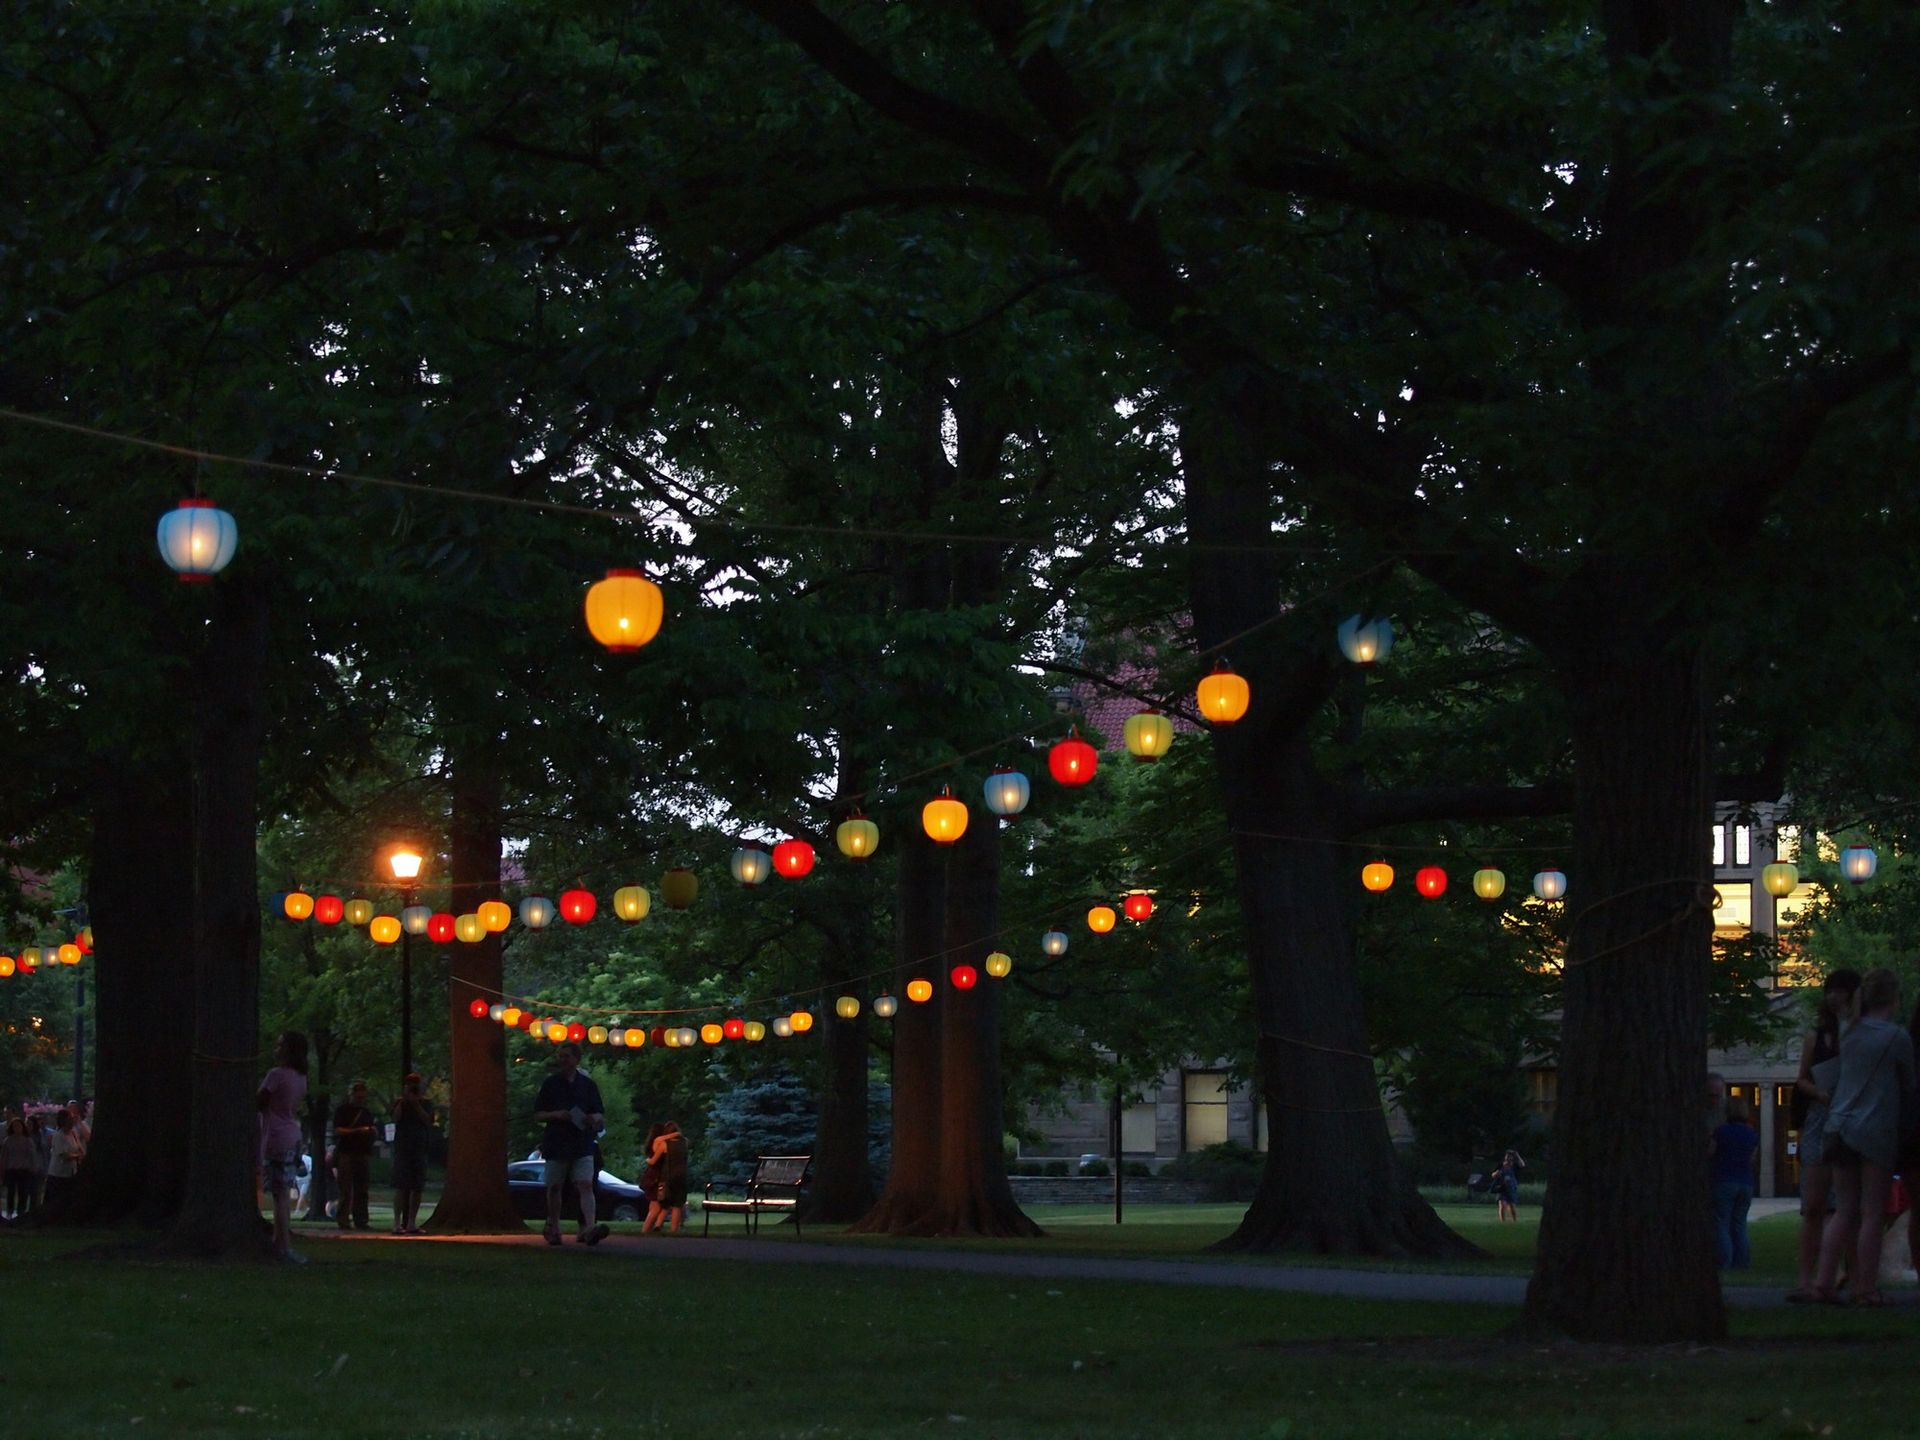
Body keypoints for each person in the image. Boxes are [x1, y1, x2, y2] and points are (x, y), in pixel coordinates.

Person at [1811, 969, 1916, 1307]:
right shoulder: (1896, 1037)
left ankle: (1823, 1282)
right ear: (1894, 998)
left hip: (1837, 1126)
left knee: (1843, 1211)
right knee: (1872, 1213)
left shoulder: (1849, 1031)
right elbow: (1909, 1085)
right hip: (1874, 1130)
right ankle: (1864, 1288)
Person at [1788, 968, 1860, 1302]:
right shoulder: (1815, 1038)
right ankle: (1806, 1280)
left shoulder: (1861, 1034)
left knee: (1846, 1206)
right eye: (1830, 991)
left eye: (1840, 991)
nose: (1834, 997)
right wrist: (1818, 1093)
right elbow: (1802, 1079)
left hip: (1850, 1121)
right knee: (1814, 1205)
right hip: (1820, 1117)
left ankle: (1845, 1277)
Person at [532, 1043, 608, 1246]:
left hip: (582, 1142)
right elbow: (538, 1114)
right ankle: (554, 1227)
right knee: (555, 1186)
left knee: (585, 1183)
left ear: (576, 1059)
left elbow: (600, 1112)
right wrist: (556, 1114)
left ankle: (590, 1227)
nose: (562, 1060)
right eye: (560, 1056)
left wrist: (593, 1118)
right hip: (557, 1142)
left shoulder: (588, 1085)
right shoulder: (550, 1084)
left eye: (566, 1056)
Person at [257, 1031, 311, 1264]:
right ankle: (279, 1243)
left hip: (276, 1137)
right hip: (292, 1136)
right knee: (283, 1193)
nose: (276, 1049)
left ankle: (284, 1247)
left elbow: (259, 1101)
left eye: (280, 1045)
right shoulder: (301, 1078)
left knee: (279, 1195)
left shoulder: (276, 1075)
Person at [1710, 1097, 1760, 1269]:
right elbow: (1752, 1159)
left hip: (1723, 1179)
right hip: (1745, 1181)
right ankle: (1742, 1262)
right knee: (1739, 1223)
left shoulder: (1721, 1131)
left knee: (1721, 1222)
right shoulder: (1751, 1134)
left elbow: (1711, 1153)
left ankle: (1724, 1261)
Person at [390, 1073, 434, 1235]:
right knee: (401, 1186)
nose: (414, 1087)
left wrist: (416, 1104)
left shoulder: (427, 1103)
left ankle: (411, 1223)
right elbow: (395, 1118)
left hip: (420, 1148)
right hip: (403, 1149)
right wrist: (403, 1101)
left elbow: (428, 1120)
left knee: (417, 1187)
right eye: (410, 1084)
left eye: (415, 1084)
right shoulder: (399, 1103)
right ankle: (396, 1223)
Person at [330, 1080, 377, 1232]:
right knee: (345, 1189)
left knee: (362, 1189)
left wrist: (371, 1133)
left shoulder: (366, 1112)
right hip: (346, 1152)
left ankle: (361, 1220)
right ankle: (343, 1220)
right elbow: (338, 1130)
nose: (360, 1099)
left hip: (363, 1152)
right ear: (351, 1095)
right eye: (358, 1096)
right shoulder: (342, 1111)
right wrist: (357, 1131)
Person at [642, 1120, 689, 1236]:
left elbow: (653, 1160)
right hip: (682, 1176)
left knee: (663, 1203)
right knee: (677, 1205)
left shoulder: (664, 1144)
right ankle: (673, 1231)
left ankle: (649, 1229)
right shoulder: (685, 1142)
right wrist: (677, 1134)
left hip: (667, 1177)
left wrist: (647, 1160)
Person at [41, 1109, 84, 1218]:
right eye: (70, 1118)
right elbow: (64, 1155)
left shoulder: (73, 1134)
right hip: (58, 1173)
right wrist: (77, 1156)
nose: (72, 1121)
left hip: (71, 1172)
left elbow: (80, 1149)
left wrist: (79, 1154)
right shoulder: (58, 1135)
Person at [3, 1116, 36, 1220]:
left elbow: (32, 1156)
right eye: (15, 1126)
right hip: (11, 1169)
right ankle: (9, 1211)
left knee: (23, 1192)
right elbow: (4, 1156)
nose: (17, 1128)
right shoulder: (8, 1140)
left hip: (24, 1170)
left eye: (19, 1126)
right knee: (11, 1192)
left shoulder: (27, 1141)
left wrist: (33, 1167)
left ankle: (21, 1212)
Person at [1492, 1149, 1524, 1222]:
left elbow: (1522, 1165)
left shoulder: (1515, 1166)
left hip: (1511, 1188)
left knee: (1512, 1206)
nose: (1508, 1158)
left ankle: (1514, 1221)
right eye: (1507, 1156)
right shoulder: (1501, 1165)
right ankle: (1502, 1222)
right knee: (1502, 1204)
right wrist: (1496, 1173)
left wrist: (1517, 1155)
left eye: (1510, 1156)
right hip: (1502, 1187)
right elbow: (1493, 1174)